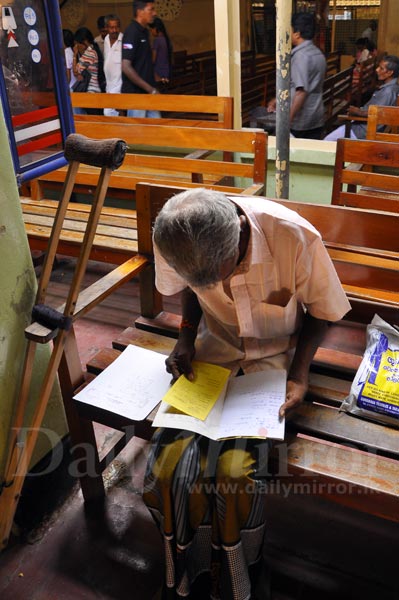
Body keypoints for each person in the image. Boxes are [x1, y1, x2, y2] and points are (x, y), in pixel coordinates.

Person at [143, 188, 351, 598]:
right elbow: (192, 285)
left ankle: (240, 575)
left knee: (236, 475)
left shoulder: (294, 237)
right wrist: (186, 336)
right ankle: (192, 573)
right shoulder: (173, 234)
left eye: (223, 274)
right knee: (168, 470)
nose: (215, 286)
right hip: (212, 355)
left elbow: (323, 312)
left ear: (239, 233)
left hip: (274, 363)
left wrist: (300, 375)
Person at [267, 13, 326, 139]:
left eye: (290, 29)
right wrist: (277, 100)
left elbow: (301, 92)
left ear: (297, 33)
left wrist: (287, 121)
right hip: (316, 114)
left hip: (301, 121)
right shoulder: (317, 53)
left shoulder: (300, 56)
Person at [324, 55, 399, 141]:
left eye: (381, 68)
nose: (377, 70)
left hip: (362, 131)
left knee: (327, 141)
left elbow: (378, 114)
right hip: (363, 125)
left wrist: (358, 112)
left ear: (390, 73)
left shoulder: (387, 92)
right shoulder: (392, 87)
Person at [121, 0, 161, 118]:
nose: (154, 13)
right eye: (151, 9)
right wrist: (151, 89)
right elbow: (125, 66)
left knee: (157, 130)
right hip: (136, 96)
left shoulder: (144, 32)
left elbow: (143, 62)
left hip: (147, 94)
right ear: (140, 12)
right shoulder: (132, 32)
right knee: (137, 134)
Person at [72, 28, 106, 115]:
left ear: (85, 41)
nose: (77, 46)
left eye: (78, 43)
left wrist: (75, 55)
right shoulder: (95, 50)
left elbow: (76, 71)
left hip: (90, 92)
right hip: (95, 92)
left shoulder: (90, 53)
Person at [103, 14, 123, 116]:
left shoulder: (124, 41)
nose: (114, 30)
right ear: (106, 28)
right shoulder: (106, 40)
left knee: (108, 112)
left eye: (117, 27)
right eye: (111, 27)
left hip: (120, 85)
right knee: (115, 113)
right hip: (109, 86)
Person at [149, 17, 172, 84]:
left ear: (156, 28)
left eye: (151, 29)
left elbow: (153, 60)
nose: (151, 32)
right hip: (167, 71)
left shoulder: (157, 41)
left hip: (158, 73)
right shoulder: (167, 40)